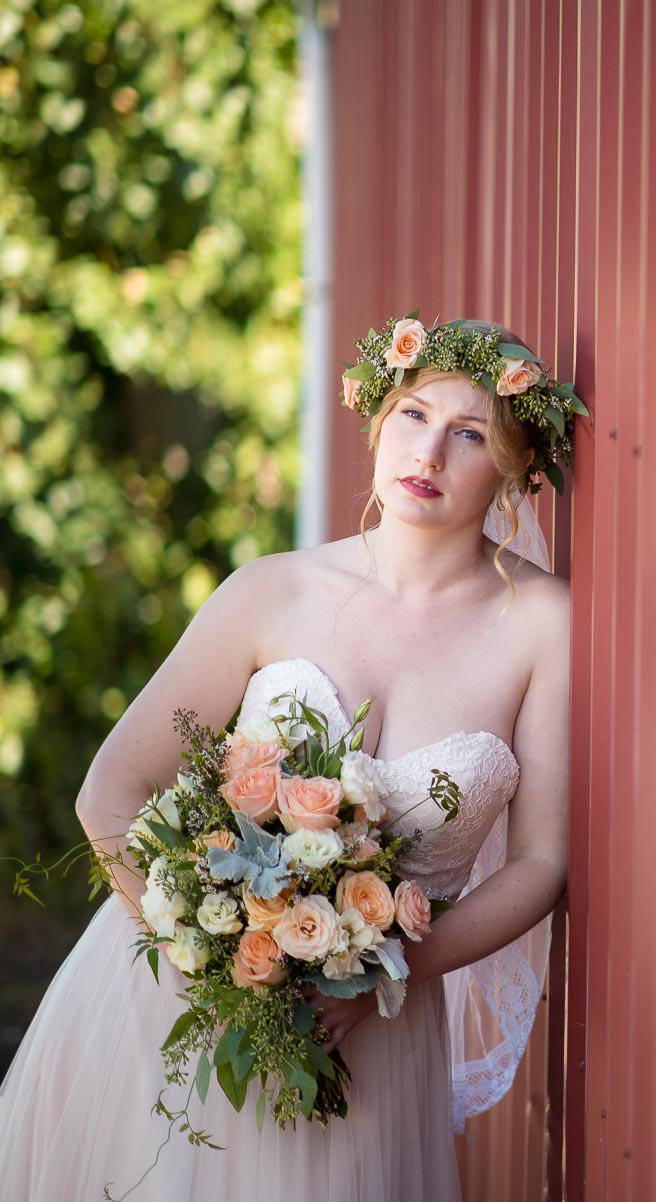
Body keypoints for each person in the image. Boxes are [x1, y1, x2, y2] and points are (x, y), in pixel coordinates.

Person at [0, 315, 578, 1201]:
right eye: (414, 415)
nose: (429, 452)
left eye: (470, 435)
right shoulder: (271, 590)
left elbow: (542, 863)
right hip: (182, 1011)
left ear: (513, 465)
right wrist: (216, 963)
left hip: (375, 1026)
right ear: (378, 421)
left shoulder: (542, 626)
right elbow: (109, 790)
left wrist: (385, 974)